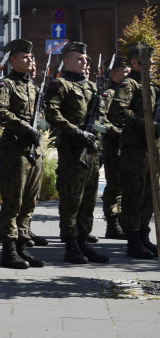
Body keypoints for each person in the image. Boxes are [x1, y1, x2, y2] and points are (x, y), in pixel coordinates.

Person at [43, 41, 110, 264]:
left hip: (91, 151)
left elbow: (99, 117)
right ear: (68, 61)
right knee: (72, 200)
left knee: (89, 200)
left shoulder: (90, 87)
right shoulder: (59, 85)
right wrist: (76, 132)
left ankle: (83, 242)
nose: (84, 62)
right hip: (72, 151)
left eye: (85, 59)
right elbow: (52, 114)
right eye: (80, 59)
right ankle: (71, 245)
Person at [0, 39, 46, 269]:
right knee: (13, 203)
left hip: (34, 152)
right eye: (25, 57)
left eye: (31, 57)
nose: (30, 60)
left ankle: (22, 246)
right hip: (15, 153)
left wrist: (41, 127)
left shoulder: (34, 87)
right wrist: (26, 127)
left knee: (29, 203)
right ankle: (9, 250)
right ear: (12, 60)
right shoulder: (6, 85)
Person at [110, 45, 159, 259]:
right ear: (135, 62)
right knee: (134, 194)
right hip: (135, 147)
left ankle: (143, 235)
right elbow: (118, 110)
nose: (152, 64)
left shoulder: (152, 86)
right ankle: (133, 239)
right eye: (148, 60)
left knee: (149, 194)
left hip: (150, 148)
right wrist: (144, 124)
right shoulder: (130, 84)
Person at [100, 56, 131, 241]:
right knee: (115, 185)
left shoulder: (128, 92)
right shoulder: (109, 93)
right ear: (113, 73)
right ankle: (113, 224)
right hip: (114, 145)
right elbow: (101, 117)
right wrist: (116, 131)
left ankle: (123, 221)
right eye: (124, 72)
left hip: (128, 146)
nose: (128, 75)